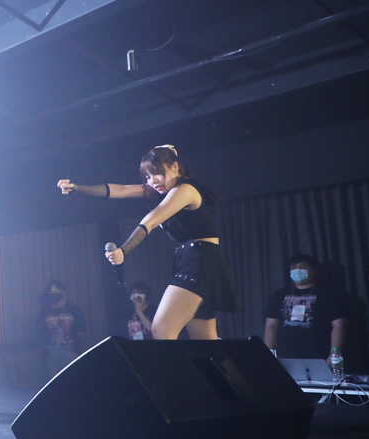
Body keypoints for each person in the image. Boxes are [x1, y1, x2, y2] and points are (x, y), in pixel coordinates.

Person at [57, 144, 239, 340]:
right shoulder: (162, 190)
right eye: (148, 177)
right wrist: (77, 189)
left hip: (199, 261)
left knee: (161, 330)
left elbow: (150, 222)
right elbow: (122, 190)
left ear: (175, 167)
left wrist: (124, 251)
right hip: (196, 260)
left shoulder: (185, 190)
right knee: (206, 341)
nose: (153, 181)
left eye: (157, 173)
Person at [263, 253, 349, 366]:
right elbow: (271, 325)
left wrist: (334, 354)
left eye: (302, 266)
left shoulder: (328, 294)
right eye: (294, 267)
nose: (297, 270)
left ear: (313, 270)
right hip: (286, 357)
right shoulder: (279, 295)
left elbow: (339, 325)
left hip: (319, 357)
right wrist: (269, 354)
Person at [36, 280, 86, 378]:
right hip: (52, 352)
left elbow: (82, 331)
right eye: (52, 290)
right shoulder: (44, 313)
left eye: (57, 290)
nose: (54, 292)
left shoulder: (73, 310)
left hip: (71, 350)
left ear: (63, 291)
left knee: (74, 378)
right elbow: (40, 334)